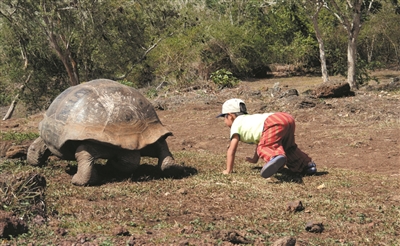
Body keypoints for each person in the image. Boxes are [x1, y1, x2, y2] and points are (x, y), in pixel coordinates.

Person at [217, 98, 316, 178]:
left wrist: (228, 170)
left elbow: (231, 150)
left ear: (230, 116)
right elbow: (259, 139)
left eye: (224, 118)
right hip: (286, 118)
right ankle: (307, 165)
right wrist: (255, 159)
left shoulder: (236, 124)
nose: (224, 122)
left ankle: (275, 157)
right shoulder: (250, 119)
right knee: (288, 147)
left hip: (272, 121)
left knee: (265, 146)